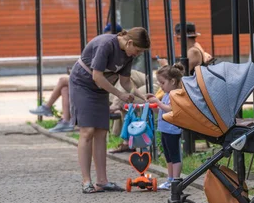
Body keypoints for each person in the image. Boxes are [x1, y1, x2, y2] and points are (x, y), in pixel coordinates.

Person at [70, 27, 150, 193]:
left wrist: (141, 96)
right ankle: (86, 181)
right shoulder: (105, 44)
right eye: (138, 50)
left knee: (101, 131)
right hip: (83, 84)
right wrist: (119, 95)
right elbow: (96, 76)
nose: (137, 54)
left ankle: (102, 181)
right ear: (129, 42)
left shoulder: (127, 54)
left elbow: (126, 81)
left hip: (101, 88)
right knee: (87, 130)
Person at [29, 23, 122, 133]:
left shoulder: (112, 49)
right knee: (65, 89)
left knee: (63, 81)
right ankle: (66, 121)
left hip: (97, 85)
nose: (105, 37)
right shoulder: (105, 46)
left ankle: (49, 108)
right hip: (91, 81)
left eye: (107, 34)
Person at [145, 63, 187, 190]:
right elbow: (163, 110)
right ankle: (170, 179)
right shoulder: (167, 94)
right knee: (168, 156)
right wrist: (154, 106)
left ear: (172, 81)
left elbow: (170, 109)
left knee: (175, 156)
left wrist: (157, 102)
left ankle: (176, 180)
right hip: (165, 129)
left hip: (172, 130)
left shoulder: (176, 94)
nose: (161, 86)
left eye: (162, 83)